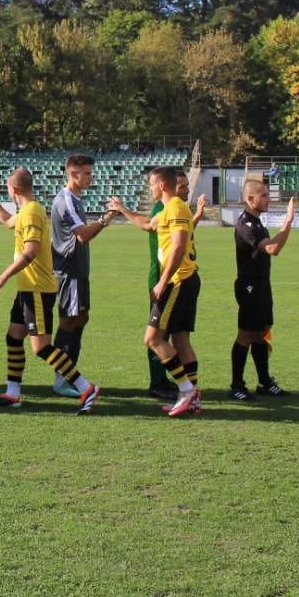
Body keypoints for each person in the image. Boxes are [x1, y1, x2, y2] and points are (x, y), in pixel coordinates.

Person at [0, 169, 101, 412]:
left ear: (13, 190)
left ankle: (86, 388)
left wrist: (3, 276)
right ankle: (13, 393)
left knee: (41, 347)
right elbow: (7, 221)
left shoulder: (32, 212)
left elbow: (31, 251)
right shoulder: (27, 211)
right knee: (14, 337)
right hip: (27, 288)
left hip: (37, 289)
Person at [109, 167, 201, 417]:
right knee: (180, 340)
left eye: (151, 184)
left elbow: (179, 246)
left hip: (178, 281)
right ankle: (192, 396)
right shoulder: (166, 210)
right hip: (182, 280)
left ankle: (187, 390)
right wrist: (123, 210)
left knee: (153, 338)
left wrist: (163, 280)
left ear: (161, 185)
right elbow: (147, 224)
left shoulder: (177, 208)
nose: (149, 188)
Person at [49, 154, 114, 398]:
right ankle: (61, 378)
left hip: (79, 271)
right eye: (86, 173)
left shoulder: (76, 198)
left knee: (80, 319)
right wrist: (106, 218)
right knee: (69, 321)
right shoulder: (66, 200)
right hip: (69, 272)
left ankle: (67, 374)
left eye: (90, 172)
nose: (90, 177)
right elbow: (83, 235)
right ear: (73, 174)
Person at [230, 180, 297, 400]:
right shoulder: (246, 224)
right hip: (249, 286)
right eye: (264, 195)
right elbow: (272, 248)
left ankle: (264, 381)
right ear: (251, 199)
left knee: (263, 331)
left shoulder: (257, 223)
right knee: (246, 334)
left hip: (261, 284)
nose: (269, 199)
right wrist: (288, 221)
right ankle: (237, 385)